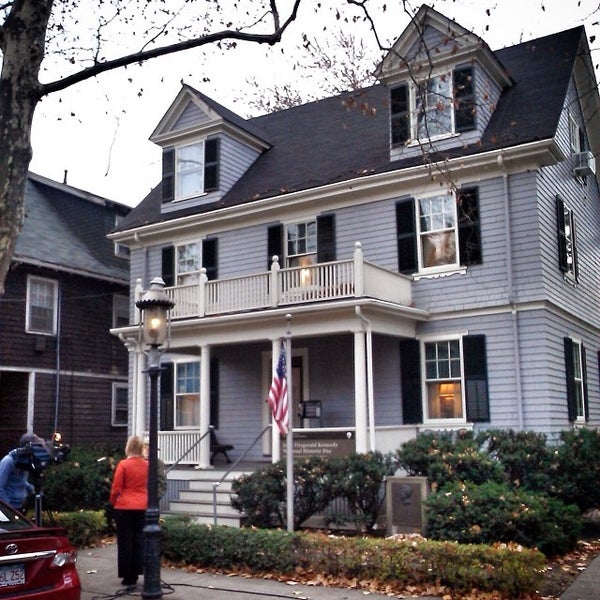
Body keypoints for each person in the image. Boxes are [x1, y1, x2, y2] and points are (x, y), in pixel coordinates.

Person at [110, 435, 148, 588]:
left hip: (124, 507)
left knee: (125, 542)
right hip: (142, 506)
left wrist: (113, 502)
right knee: (138, 541)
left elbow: (116, 487)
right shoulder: (147, 465)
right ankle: (137, 572)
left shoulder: (123, 465)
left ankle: (127, 575)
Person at [0, 433, 39, 511]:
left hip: (19, 505)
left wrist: (31, 488)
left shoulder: (24, 461)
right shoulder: (8, 461)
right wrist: (8, 506)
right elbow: (0, 486)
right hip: (10, 507)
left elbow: (19, 479)